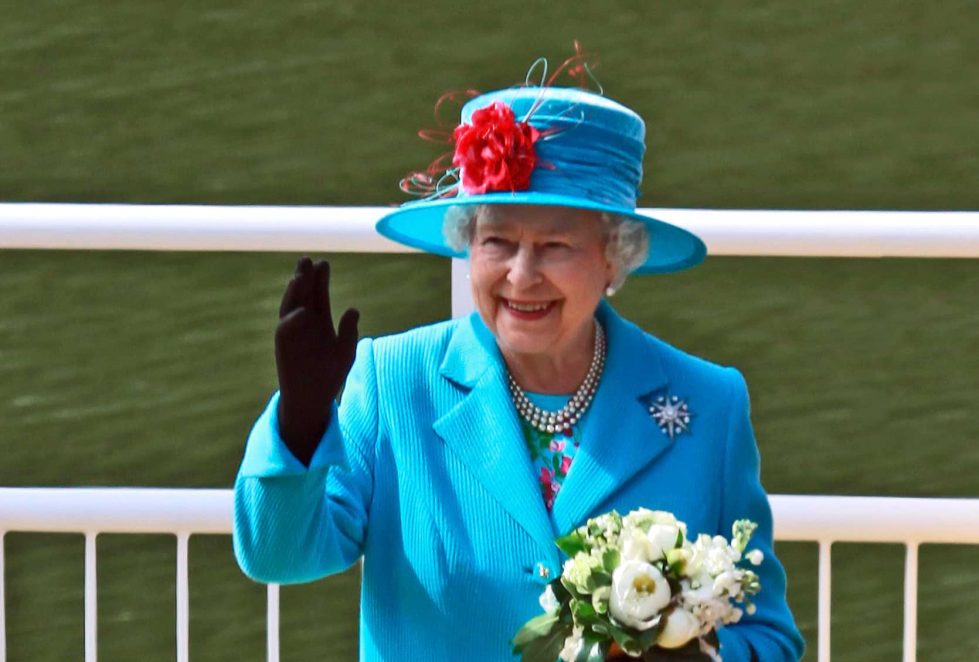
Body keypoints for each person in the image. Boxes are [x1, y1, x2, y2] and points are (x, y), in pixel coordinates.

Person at [233, 54, 805, 661]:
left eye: (555, 245)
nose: (521, 275)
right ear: (467, 245)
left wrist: (695, 655)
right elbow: (278, 557)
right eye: (497, 241)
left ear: (615, 258)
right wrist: (300, 425)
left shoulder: (708, 405)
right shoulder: (392, 382)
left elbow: (767, 636)